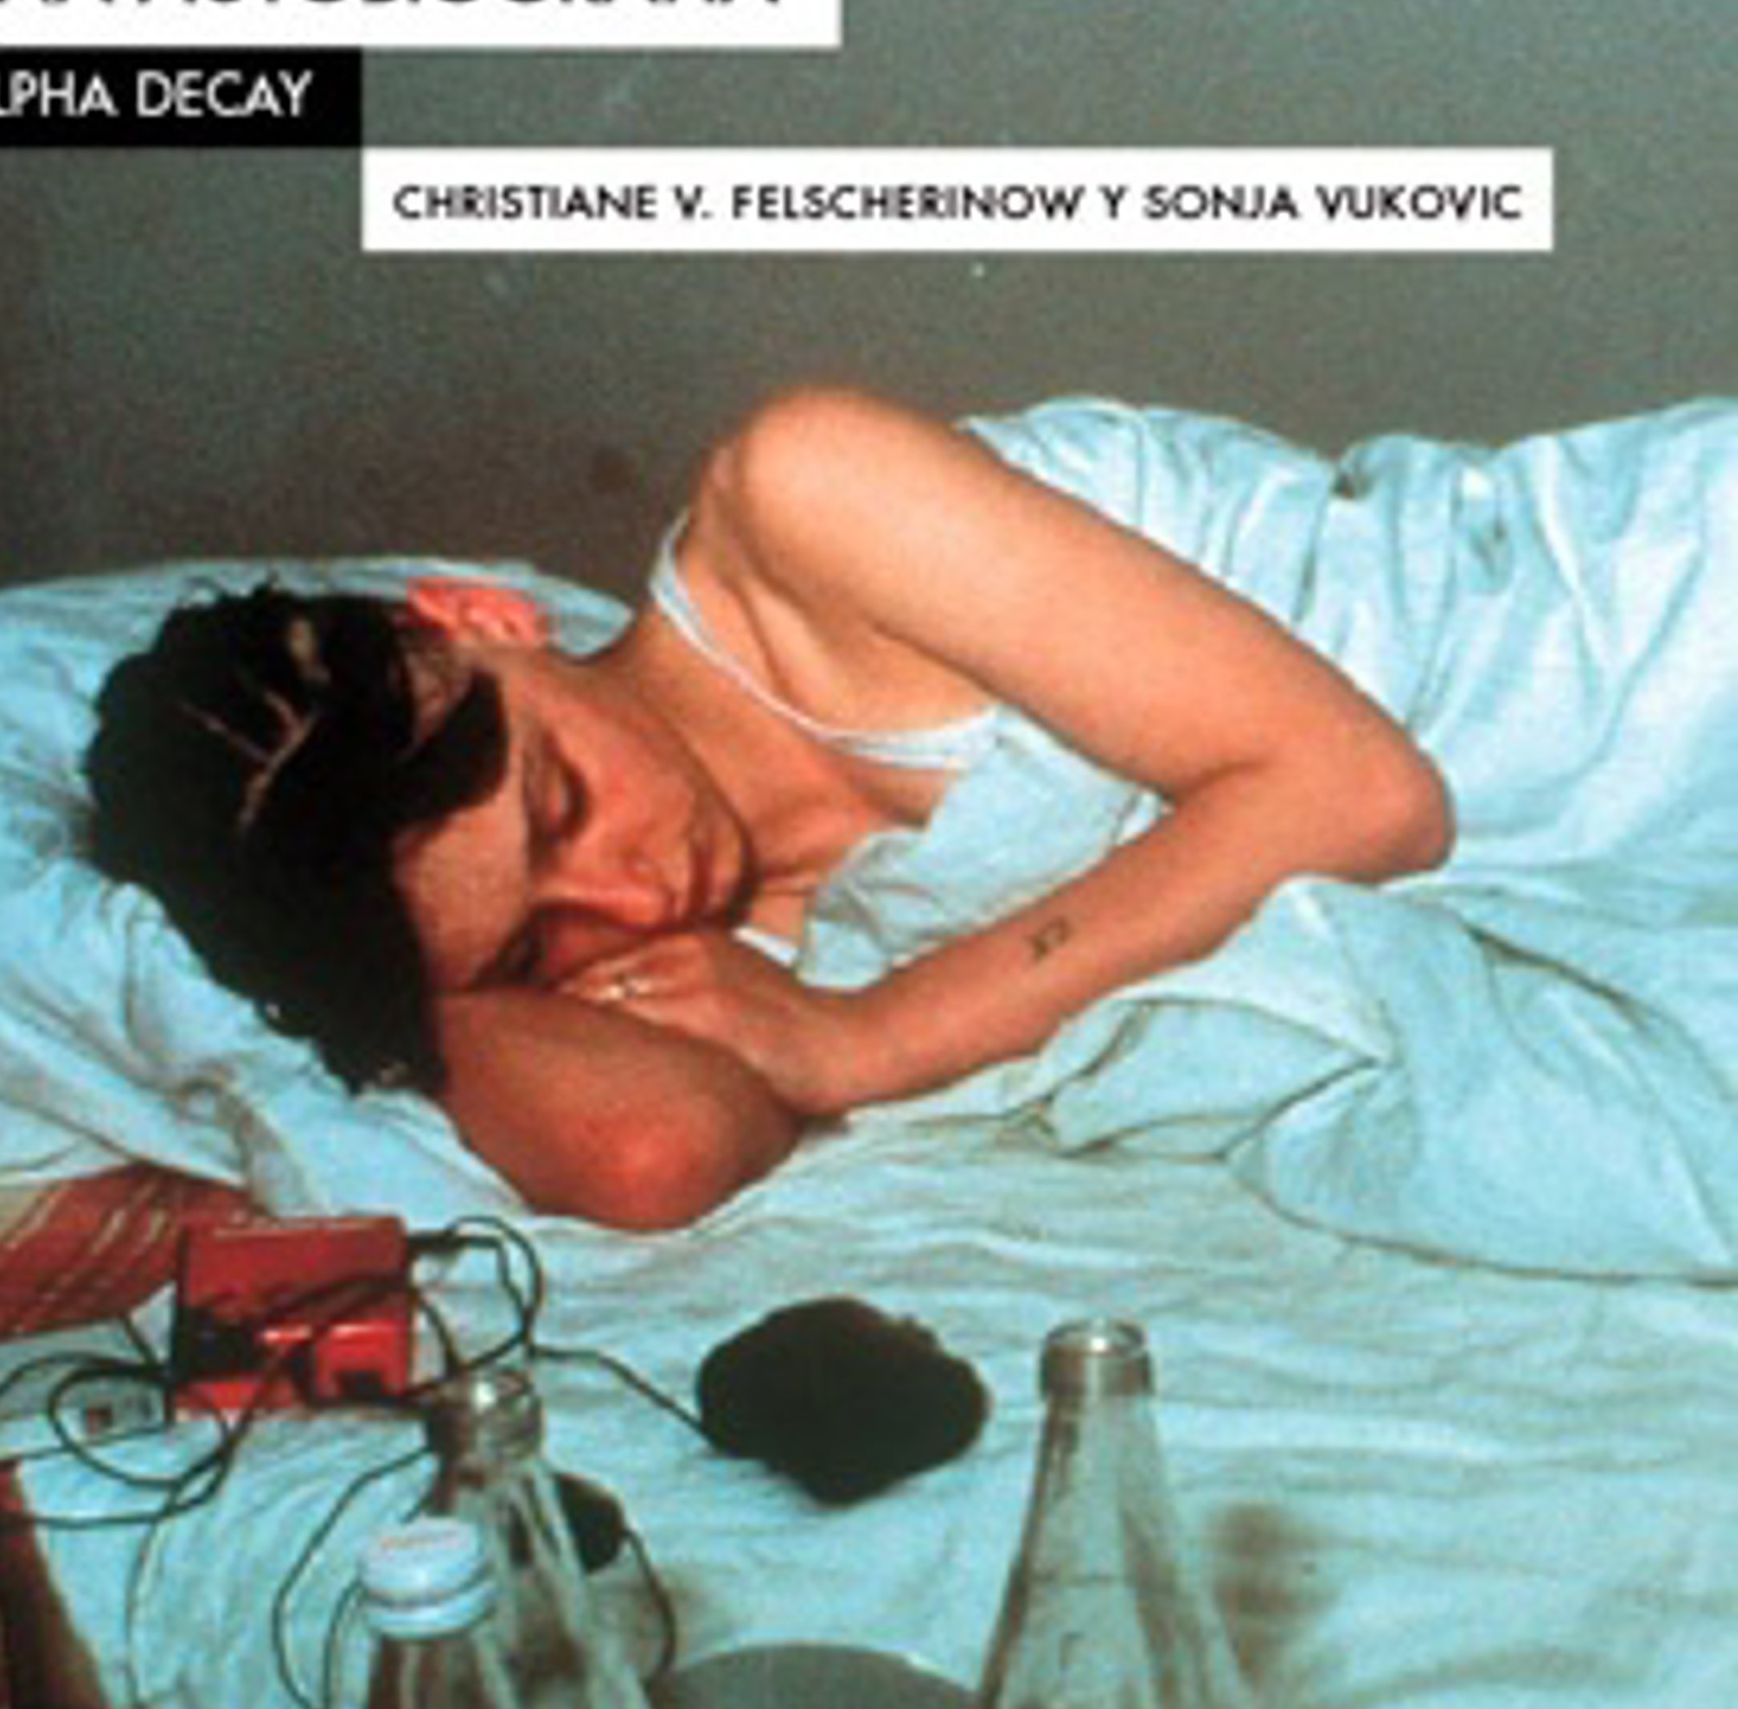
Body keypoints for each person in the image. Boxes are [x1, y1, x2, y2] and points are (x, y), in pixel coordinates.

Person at [87, 385, 1454, 1229]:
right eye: (536, 943)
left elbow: (1359, 793)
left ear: (484, 617)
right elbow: (655, 1151)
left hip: (1555, 671)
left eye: (563, 805)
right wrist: (415, 981)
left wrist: (871, 1036)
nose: (634, 897)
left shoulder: (803, 500)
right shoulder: (669, 956)